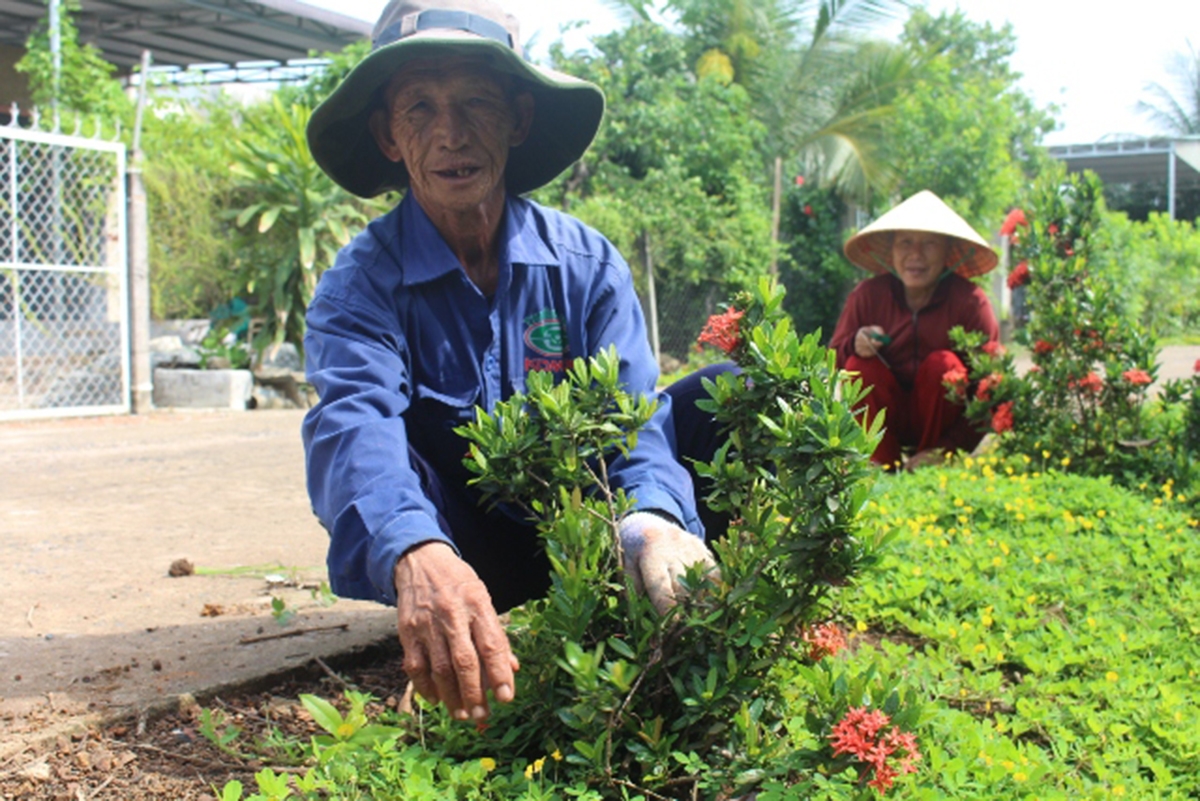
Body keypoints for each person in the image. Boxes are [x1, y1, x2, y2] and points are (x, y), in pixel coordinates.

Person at [301, 0, 717, 727]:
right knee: (390, 453)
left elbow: (635, 416)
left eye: (476, 103)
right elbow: (353, 424)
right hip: (462, 544)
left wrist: (650, 523)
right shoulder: (361, 283)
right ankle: (454, 608)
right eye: (420, 108)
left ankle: (682, 599)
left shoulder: (587, 265)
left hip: (587, 529)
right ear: (387, 136)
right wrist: (418, 552)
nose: (450, 134)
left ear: (518, 119)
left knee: (726, 396)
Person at [830, 190, 1000, 470]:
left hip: (940, 424)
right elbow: (833, 359)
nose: (915, 255)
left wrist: (948, 451)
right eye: (905, 242)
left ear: (948, 252)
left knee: (944, 365)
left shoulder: (970, 302)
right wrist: (853, 343)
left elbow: (989, 391)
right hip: (885, 419)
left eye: (929, 244)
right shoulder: (868, 295)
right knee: (859, 365)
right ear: (892, 250)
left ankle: (926, 464)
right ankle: (880, 465)